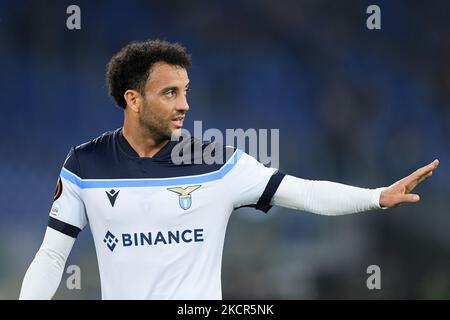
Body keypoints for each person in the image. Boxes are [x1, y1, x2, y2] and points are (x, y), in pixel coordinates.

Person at [19, 40, 439, 300]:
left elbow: (303, 192)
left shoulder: (219, 164)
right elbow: (53, 255)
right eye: (170, 93)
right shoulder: (84, 165)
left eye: (185, 92)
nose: (184, 104)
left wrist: (375, 197)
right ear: (133, 99)